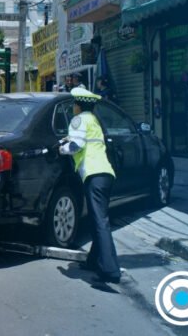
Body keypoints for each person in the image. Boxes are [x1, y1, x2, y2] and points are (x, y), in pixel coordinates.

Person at [59, 87, 120, 284]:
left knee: (100, 221)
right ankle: (93, 261)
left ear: (78, 105)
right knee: (98, 219)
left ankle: (110, 270)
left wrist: (62, 148)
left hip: (93, 175)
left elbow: (76, 146)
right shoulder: (93, 120)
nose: (73, 108)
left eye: (74, 105)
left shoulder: (78, 120)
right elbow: (87, 140)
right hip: (106, 174)